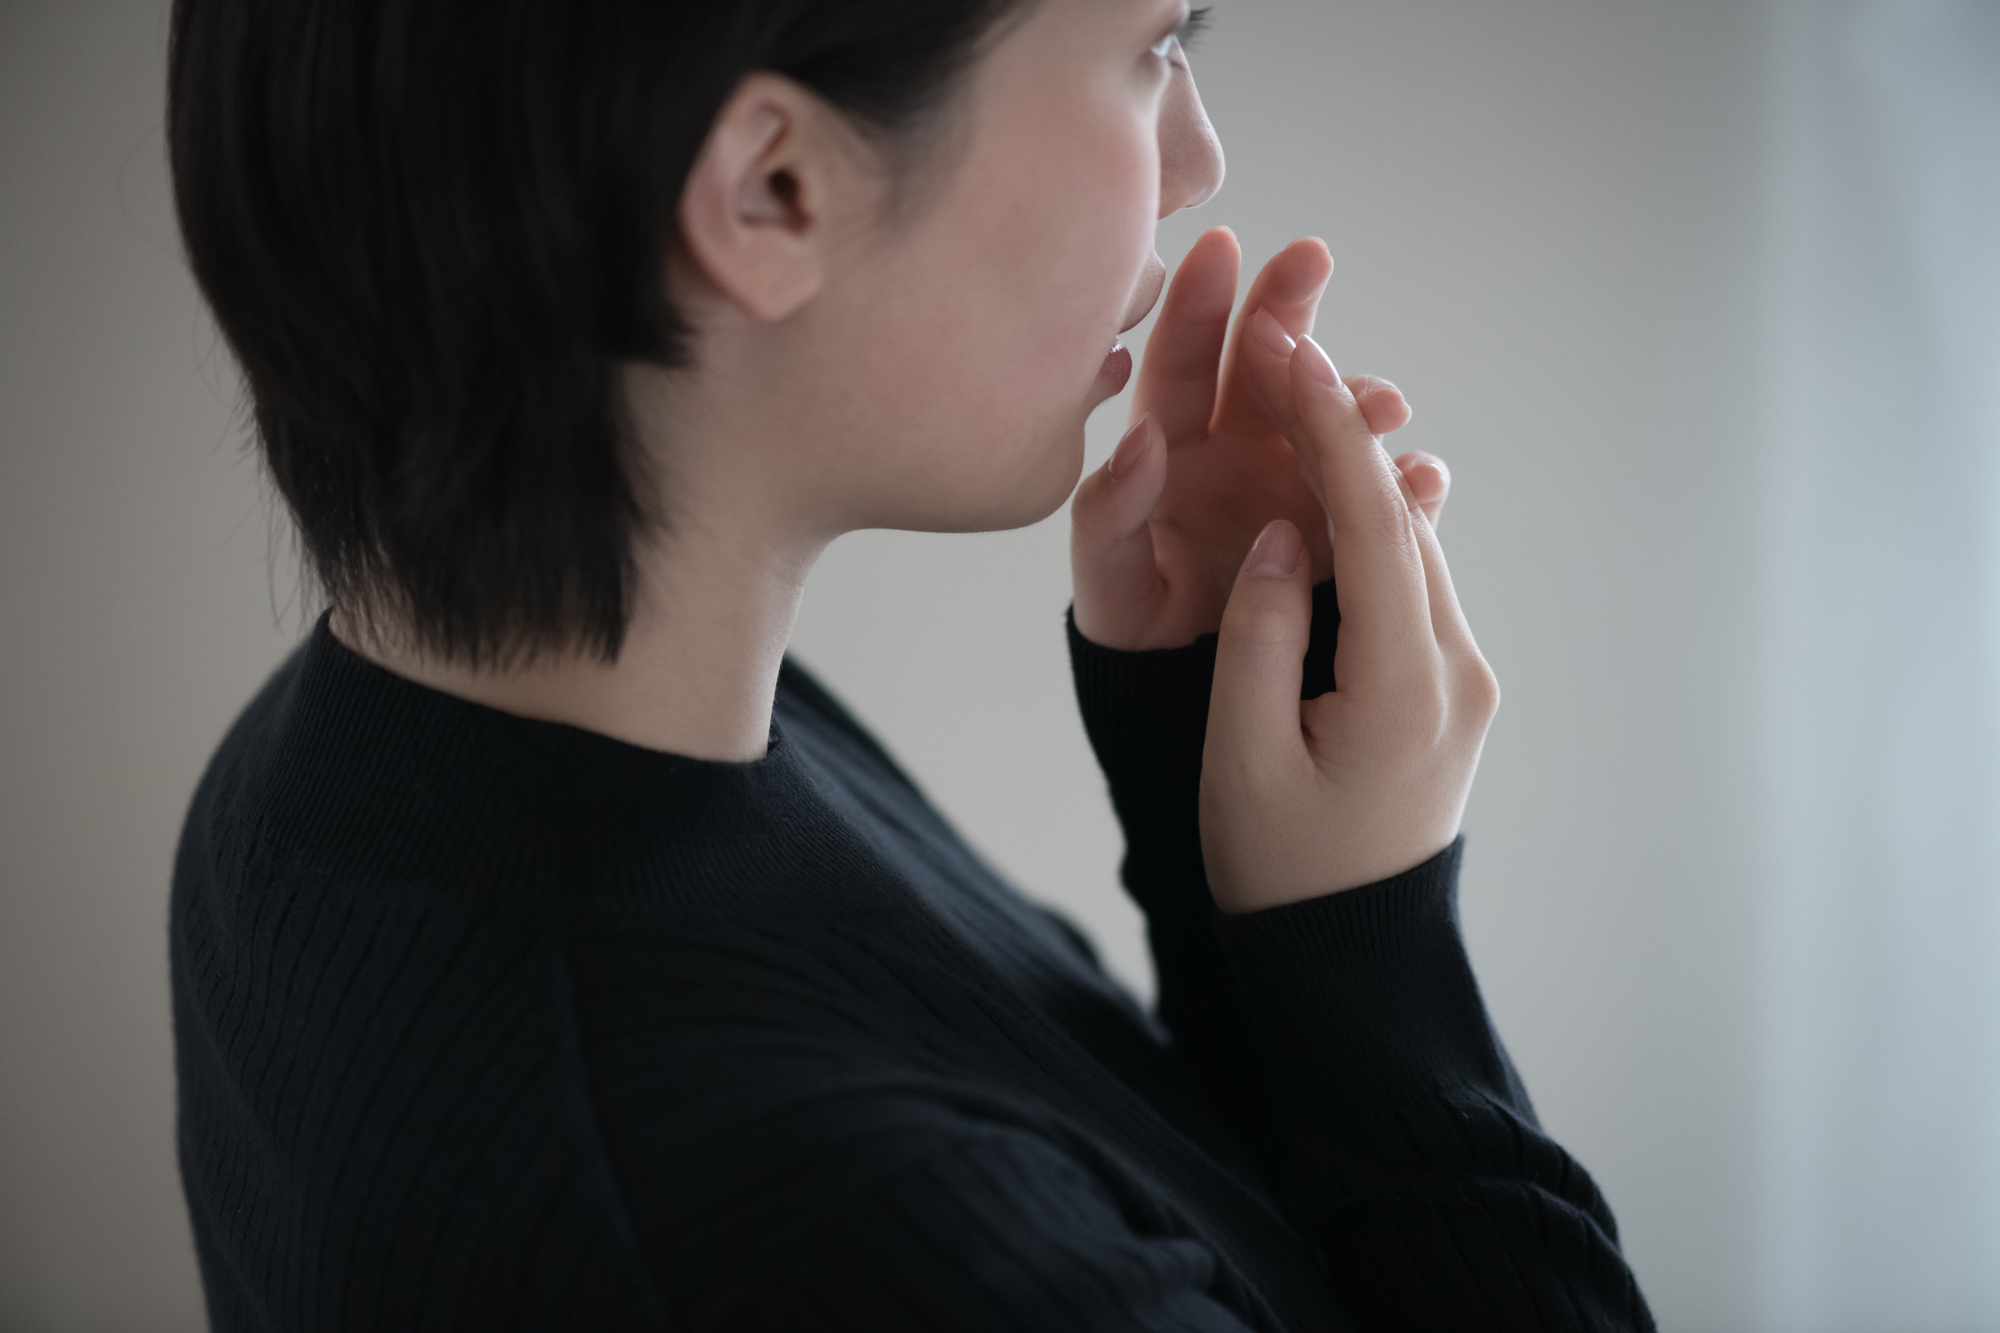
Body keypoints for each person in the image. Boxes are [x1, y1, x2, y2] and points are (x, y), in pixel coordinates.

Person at [165, 0, 1655, 1327]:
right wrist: (1372, 953)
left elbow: (1156, 1188)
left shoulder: (358, 770)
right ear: (771, 192)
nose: (1198, 157)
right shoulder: (835, 1237)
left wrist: (1207, 785)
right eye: (1156, 46)